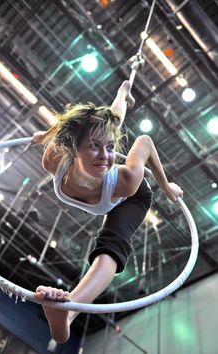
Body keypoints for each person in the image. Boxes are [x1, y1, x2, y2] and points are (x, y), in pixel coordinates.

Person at [32, 81, 183, 343]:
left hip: (130, 198)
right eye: (94, 146)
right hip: (92, 170)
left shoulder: (127, 180)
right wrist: (45, 134)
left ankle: (66, 313)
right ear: (72, 149)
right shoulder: (54, 160)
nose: (105, 156)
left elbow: (145, 142)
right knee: (111, 118)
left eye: (111, 148)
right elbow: (67, 127)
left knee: (111, 249)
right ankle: (124, 91)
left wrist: (166, 186)